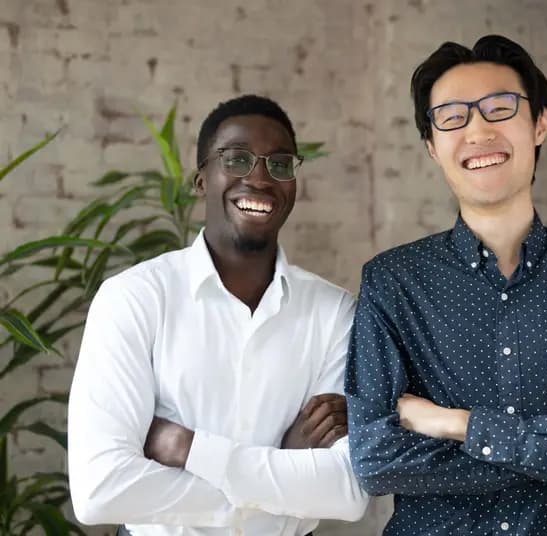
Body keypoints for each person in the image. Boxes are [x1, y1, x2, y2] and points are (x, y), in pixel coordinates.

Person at [345, 35, 547, 535]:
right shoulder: (392, 283)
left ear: (539, 123)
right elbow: (376, 460)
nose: (478, 130)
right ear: (431, 146)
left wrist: (456, 423)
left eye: (499, 108)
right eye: (452, 116)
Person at [68, 94, 368, 536]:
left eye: (280, 164)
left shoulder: (334, 312)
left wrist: (189, 449)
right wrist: (279, 481)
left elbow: (348, 491)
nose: (261, 178)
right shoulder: (133, 299)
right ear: (201, 180)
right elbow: (101, 490)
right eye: (237, 158)